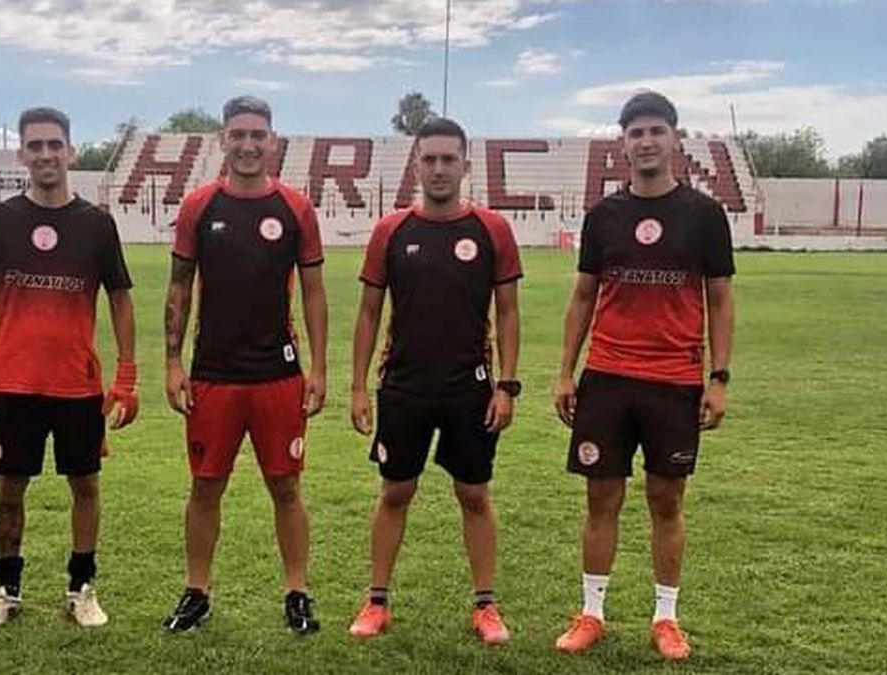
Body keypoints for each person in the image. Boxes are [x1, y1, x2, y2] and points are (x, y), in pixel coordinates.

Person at [552, 91, 735, 660]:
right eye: (636, 132)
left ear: (676, 138)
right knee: (601, 497)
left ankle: (666, 618)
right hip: (606, 376)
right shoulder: (603, 216)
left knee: (666, 499)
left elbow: (721, 300)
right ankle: (591, 613)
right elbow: (583, 296)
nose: (647, 141)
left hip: (675, 380)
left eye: (657, 129)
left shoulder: (704, 216)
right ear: (623, 143)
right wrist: (565, 373)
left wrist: (719, 376)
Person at [347, 117, 522, 646]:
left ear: (466, 165)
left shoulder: (492, 230)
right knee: (396, 489)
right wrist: (358, 387)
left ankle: (486, 606)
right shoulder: (391, 231)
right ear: (416, 164)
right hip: (403, 386)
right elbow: (369, 313)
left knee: (473, 492)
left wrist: (506, 386)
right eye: (430, 159)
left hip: (470, 387)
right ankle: (376, 601)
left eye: (450, 159)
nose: (440, 169)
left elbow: (509, 313)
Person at [0, 106, 138, 630]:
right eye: (35, 145)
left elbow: (121, 299)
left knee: (85, 486)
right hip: (13, 383)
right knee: (9, 489)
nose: (45, 154)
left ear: (71, 151)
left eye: (54, 144)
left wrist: (127, 376)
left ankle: (81, 588)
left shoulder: (96, 224)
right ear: (22, 153)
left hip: (76, 384)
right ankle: (6, 590)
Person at [161, 95, 328, 636]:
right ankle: (196, 592)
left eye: (258, 134)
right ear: (222, 141)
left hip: (278, 375)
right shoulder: (198, 207)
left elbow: (314, 293)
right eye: (238, 134)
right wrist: (171, 361)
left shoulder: (296, 208)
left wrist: (319, 369)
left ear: (273, 141)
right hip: (213, 375)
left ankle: (297, 592)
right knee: (206, 487)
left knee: (286, 488)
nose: (249, 144)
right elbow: (179, 287)